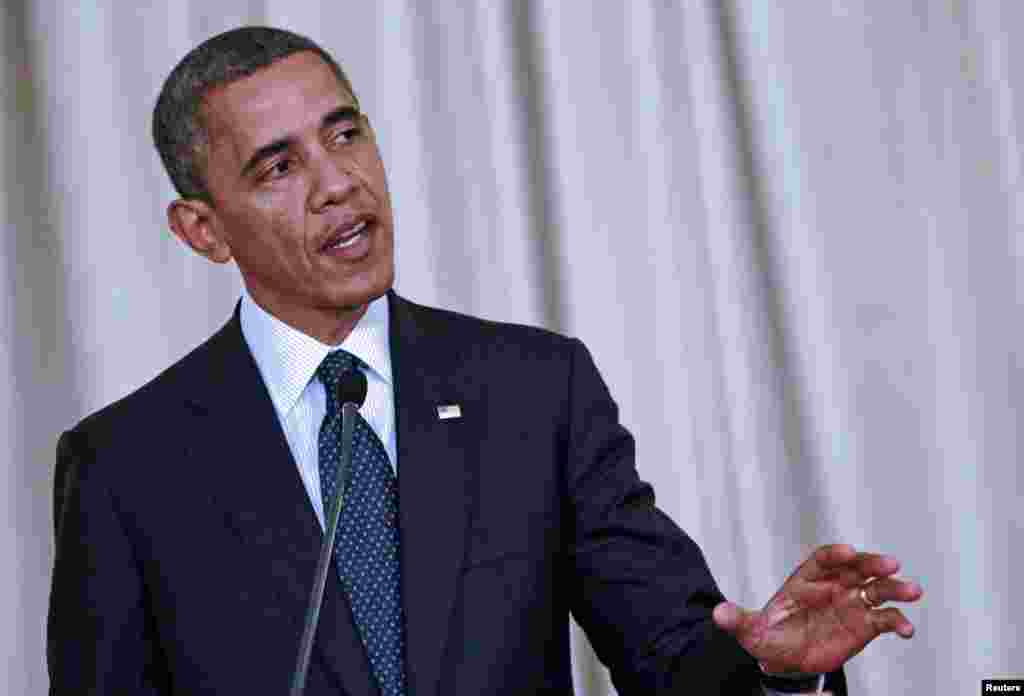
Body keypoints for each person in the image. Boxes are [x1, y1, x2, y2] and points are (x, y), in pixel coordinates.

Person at [47, 26, 922, 695]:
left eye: (345, 134)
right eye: (279, 166)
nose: (337, 183)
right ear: (202, 230)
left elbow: (668, 651)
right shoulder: (125, 466)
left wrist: (771, 670)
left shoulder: (532, 392)